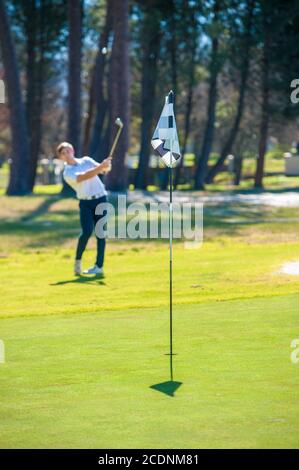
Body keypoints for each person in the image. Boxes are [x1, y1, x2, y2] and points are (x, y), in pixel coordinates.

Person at [56, 142, 112, 276]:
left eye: (68, 149)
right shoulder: (68, 172)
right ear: (61, 157)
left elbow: (104, 170)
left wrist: (106, 165)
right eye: (63, 152)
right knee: (86, 232)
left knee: (101, 234)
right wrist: (101, 167)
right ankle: (78, 261)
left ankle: (99, 266)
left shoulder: (86, 160)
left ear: (73, 150)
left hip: (101, 199)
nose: (67, 153)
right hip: (85, 203)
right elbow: (84, 176)